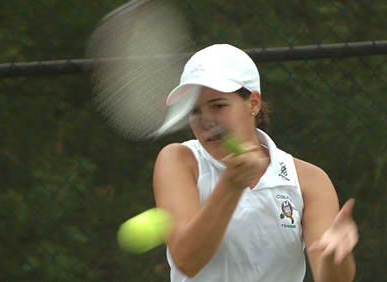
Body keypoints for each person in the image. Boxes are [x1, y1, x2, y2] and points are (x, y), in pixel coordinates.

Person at [153, 44, 358, 282]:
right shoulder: (178, 159)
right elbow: (187, 260)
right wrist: (231, 185)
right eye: (194, 110)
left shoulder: (310, 180)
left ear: (253, 103)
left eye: (218, 105)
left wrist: (337, 255)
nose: (205, 120)